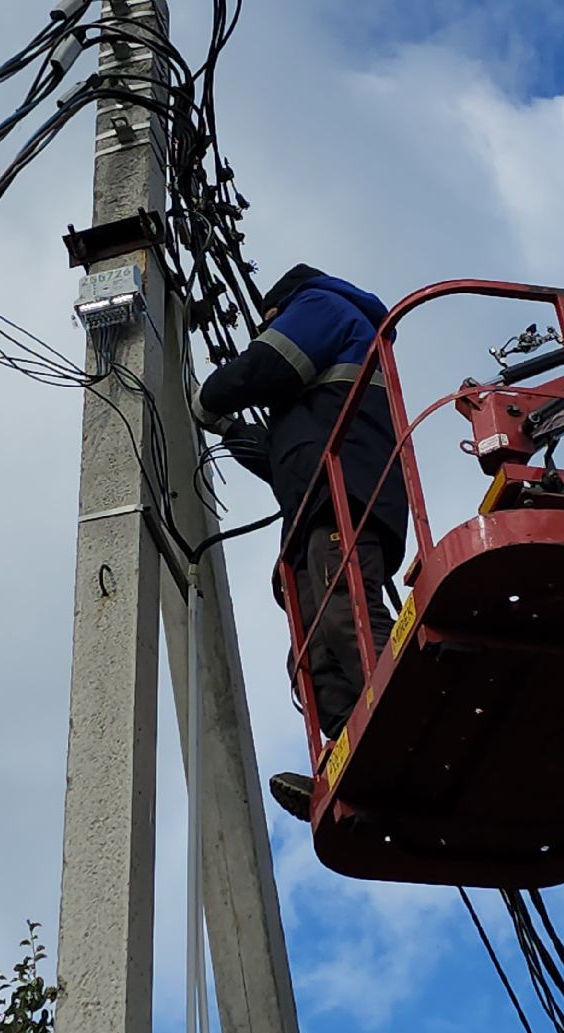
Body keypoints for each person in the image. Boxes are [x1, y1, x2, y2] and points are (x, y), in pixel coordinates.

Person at [192, 264, 407, 822]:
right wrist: (232, 431)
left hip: (347, 496)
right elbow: (291, 458)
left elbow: (269, 364)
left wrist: (211, 396)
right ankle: (352, 753)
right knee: (314, 651)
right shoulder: (312, 401)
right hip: (318, 500)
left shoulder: (322, 308)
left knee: (346, 613)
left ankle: (412, 718)